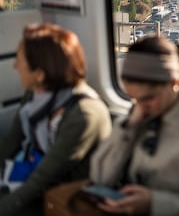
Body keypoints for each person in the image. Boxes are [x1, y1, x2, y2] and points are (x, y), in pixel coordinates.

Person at [90, 35, 179, 215]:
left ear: (174, 83)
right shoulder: (140, 114)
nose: (140, 107)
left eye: (148, 98)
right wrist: (128, 128)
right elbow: (99, 177)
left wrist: (153, 204)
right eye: (134, 99)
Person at [0, 23, 112, 215]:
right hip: (35, 170)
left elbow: (45, 177)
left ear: (40, 74)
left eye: (20, 60)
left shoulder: (83, 115)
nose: (15, 65)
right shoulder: (36, 95)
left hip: (68, 193)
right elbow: (11, 144)